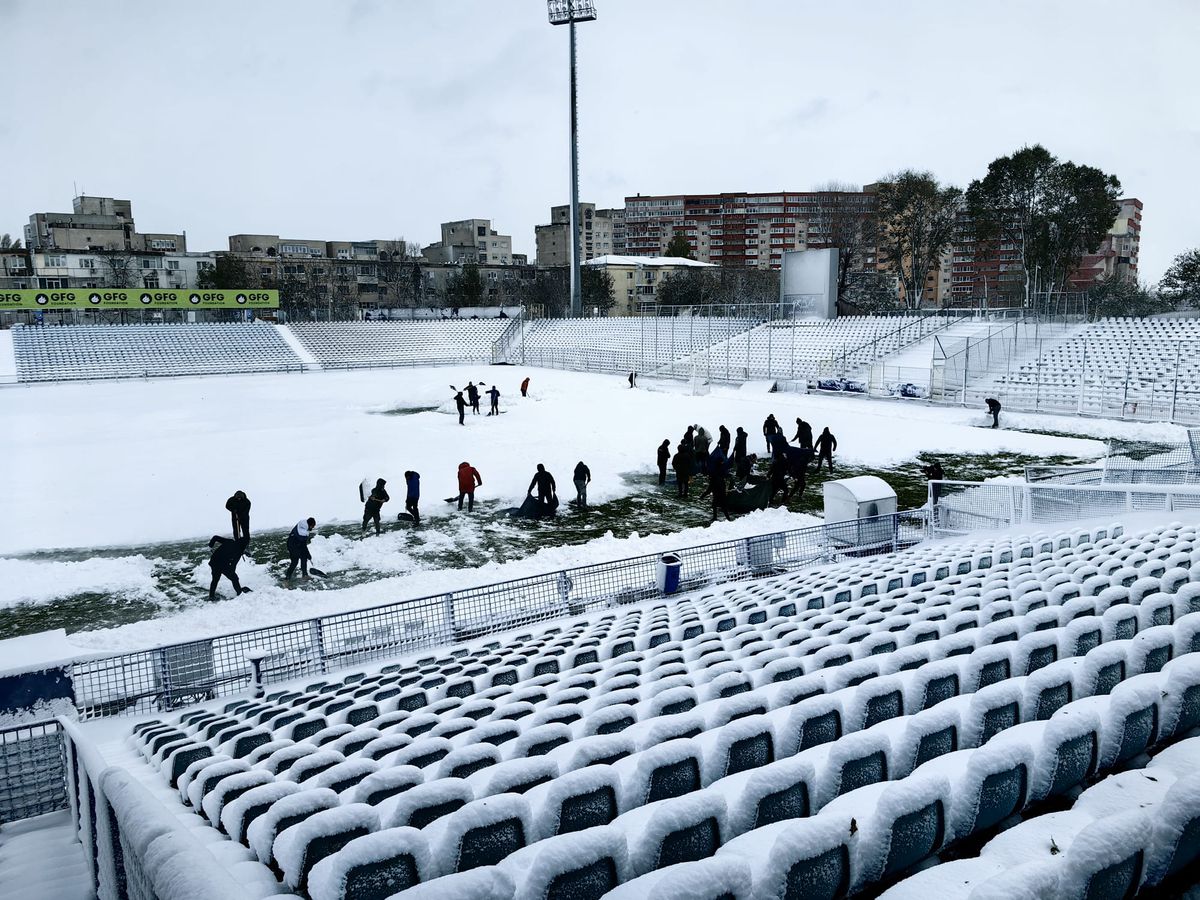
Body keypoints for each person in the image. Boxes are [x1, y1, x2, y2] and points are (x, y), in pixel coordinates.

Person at [207, 534, 250, 600]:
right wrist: (232, 575)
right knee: (234, 578)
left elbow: (215, 537)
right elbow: (233, 566)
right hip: (222, 564)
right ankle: (239, 592)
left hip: (214, 561)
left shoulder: (230, 541)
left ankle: (211, 596)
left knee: (215, 579)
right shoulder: (238, 552)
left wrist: (210, 546)